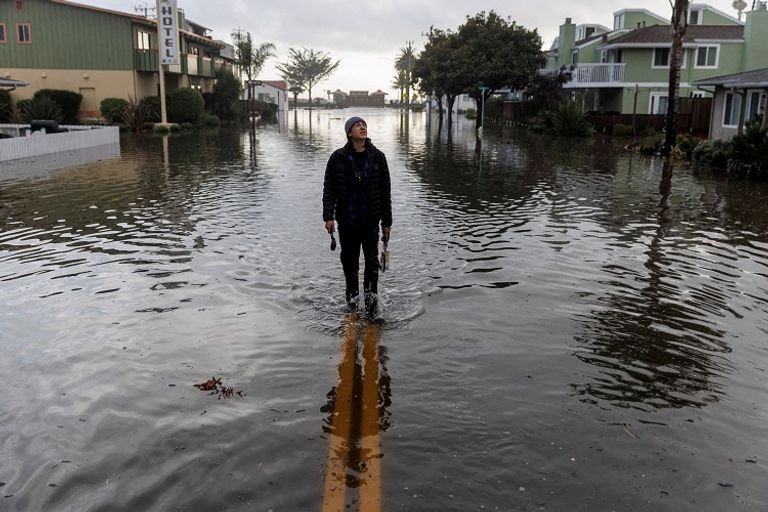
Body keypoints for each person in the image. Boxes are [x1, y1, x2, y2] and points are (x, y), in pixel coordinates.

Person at [323, 116, 392, 317]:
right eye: (357, 125)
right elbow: (329, 189)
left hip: (370, 222)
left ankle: (371, 309)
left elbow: (385, 192)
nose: (362, 127)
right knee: (350, 265)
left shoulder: (378, 157)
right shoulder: (338, 158)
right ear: (349, 133)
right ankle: (352, 306)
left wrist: (386, 223)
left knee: (372, 265)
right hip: (347, 222)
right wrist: (329, 216)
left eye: (364, 125)